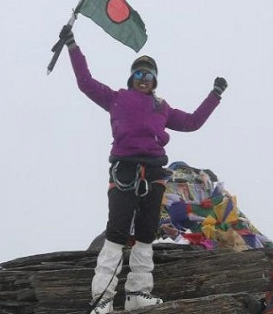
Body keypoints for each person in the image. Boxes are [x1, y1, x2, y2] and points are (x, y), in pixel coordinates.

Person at [60, 26, 228, 313]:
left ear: (155, 81)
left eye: (149, 75)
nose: (143, 78)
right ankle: (102, 300)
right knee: (116, 232)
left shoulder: (161, 107)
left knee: (147, 233)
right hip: (125, 170)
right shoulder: (117, 98)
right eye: (139, 73)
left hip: (154, 173)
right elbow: (85, 82)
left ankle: (137, 293)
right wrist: (72, 46)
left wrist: (214, 95)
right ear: (131, 77)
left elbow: (192, 122)